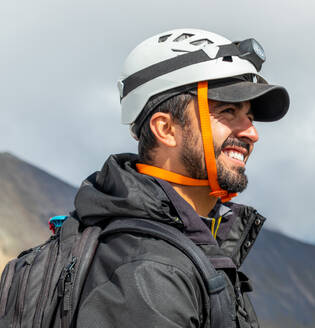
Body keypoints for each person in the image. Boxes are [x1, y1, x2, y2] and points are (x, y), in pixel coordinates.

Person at [73, 28, 289, 327]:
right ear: (166, 129)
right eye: (228, 111)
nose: (252, 133)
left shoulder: (185, 246)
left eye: (249, 117)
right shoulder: (149, 271)